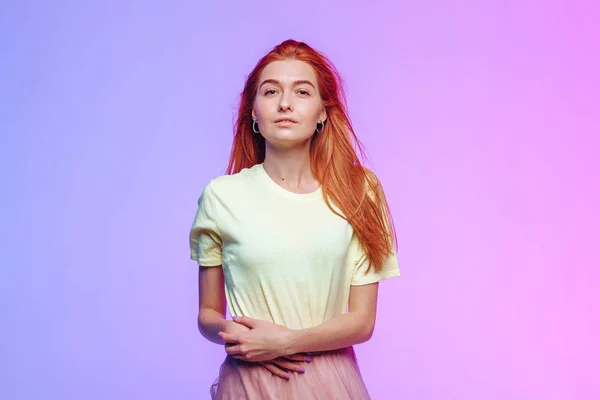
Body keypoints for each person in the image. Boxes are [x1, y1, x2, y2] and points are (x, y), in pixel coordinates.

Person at [189, 39, 400, 399]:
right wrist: (238, 335)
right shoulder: (221, 196)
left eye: (302, 91)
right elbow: (208, 312)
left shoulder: (361, 190)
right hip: (249, 383)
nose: (285, 103)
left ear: (322, 112)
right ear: (253, 112)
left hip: (330, 384)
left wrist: (285, 342)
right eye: (271, 91)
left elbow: (363, 322)